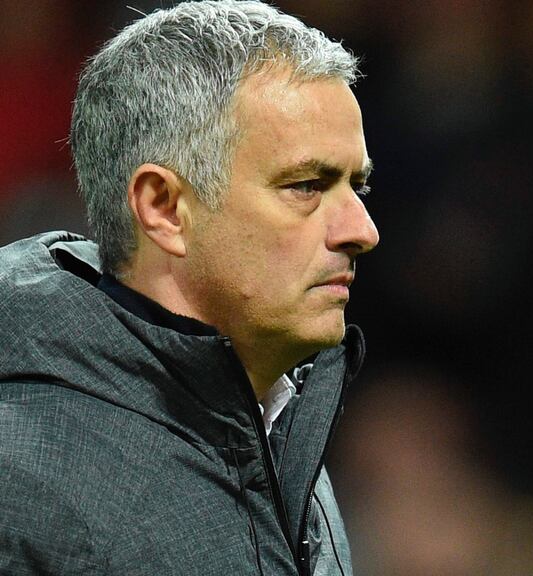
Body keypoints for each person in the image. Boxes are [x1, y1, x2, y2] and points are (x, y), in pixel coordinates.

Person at [0, 1, 379, 574]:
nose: (362, 231)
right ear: (164, 208)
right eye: (306, 185)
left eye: (357, 186)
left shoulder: (279, 428)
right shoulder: (22, 480)